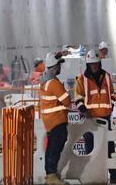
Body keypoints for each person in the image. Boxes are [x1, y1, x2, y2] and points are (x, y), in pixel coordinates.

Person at [75, 50, 116, 184]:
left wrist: (113, 104)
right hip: (90, 119)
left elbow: (112, 95)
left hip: (106, 118)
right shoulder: (81, 79)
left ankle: (115, 175)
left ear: (99, 63)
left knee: (109, 147)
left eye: (96, 64)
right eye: (92, 64)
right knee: (90, 149)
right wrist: (82, 108)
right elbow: (78, 97)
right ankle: (90, 175)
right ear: (88, 65)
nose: (95, 67)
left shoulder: (106, 77)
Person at [39, 52, 71, 185]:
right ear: (54, 67)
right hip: (57, 120)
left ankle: (51, 175)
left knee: (52, 147)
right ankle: (51, 175)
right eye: (59, 65)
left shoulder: (45, 81)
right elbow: (67, 101)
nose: (60, 68)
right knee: (55, 147)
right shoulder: (53, 83)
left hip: (50, 121)